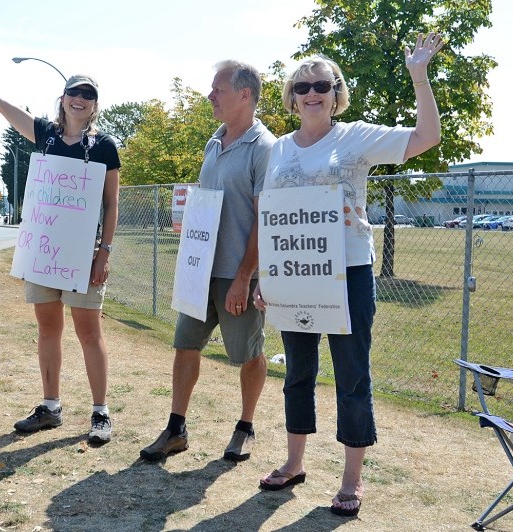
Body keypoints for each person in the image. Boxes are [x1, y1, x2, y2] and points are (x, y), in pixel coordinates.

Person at [254, 33, 444, 516]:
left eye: (321, 84)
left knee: (352, 376)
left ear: (337, 93)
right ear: (291, 98)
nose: (312, 93)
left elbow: (427, 138)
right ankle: (294, 464)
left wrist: (419, 77)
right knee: (298, 373)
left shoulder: (354, 137)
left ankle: (351, 480)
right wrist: (264, 276)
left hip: (347, 274)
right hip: (295, 274)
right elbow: (269, 215)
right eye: (302, 86)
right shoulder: (277, 150)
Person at [0, 56, 120, 444]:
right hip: (45, 253)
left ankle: (100, 413)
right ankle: (50, 406)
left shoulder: (103, 146)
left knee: (89, 331)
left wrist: (104, 252)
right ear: (63, 98)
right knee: (48, 329)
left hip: (84, 256)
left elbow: (111, 203)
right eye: (74, 92)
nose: (80, 99)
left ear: (94, 104)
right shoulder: (45, 135)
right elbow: (3, 106)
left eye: (88, 94)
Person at [140, 60, 276, 462]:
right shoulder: (212, 143)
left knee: (248, 353)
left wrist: (244, 277)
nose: (210, 96)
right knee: (185, 345)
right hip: (201, 274)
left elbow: (264, 218)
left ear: (245, 95)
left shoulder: (265, 148)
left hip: (238, 275)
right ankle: (176, 429)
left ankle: (245, 427)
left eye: (218, 89)